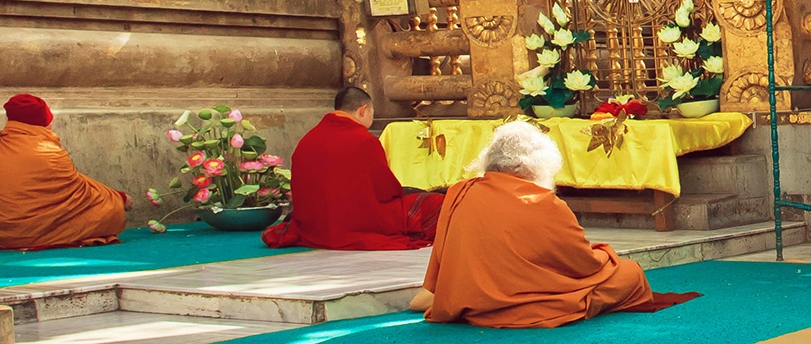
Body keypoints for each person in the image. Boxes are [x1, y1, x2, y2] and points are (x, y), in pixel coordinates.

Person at [410, 121, 655, 327]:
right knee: (629, 273)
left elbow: (442, 259)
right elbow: (583, 264)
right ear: (533, 163)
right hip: (527, 303)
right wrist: (605, 255)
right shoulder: (545, 202)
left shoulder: (459, 191)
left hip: (469, 298)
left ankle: (470, 301)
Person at [262, 87, 444, 250]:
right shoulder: (364, 140)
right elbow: (386, 192)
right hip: (356, 224)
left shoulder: (308, 139)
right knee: (436, 203)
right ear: (363, 110)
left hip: (315, 225)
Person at [0, 94, 128, 251]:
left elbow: (73, 186)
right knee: (111, 210)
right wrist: (116, 198)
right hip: (29, 232)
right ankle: (120, 200)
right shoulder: (47, 150)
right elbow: (80, 196)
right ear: (43, 120)